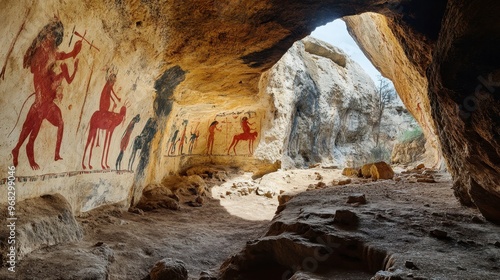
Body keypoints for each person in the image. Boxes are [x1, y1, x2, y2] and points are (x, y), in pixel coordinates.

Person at [12, 17, 82, 170]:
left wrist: (72, 57)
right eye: (51, 35)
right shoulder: (43, 50)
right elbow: (57, 56)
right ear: (47, 35)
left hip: (47, 102)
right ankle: (18, 150)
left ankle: (55, 153)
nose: (52, 39)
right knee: (30, 132)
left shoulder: (49, 52)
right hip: (41, 101)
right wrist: (72, 53)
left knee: (55, 124)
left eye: (55, 37)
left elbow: (58, 58)